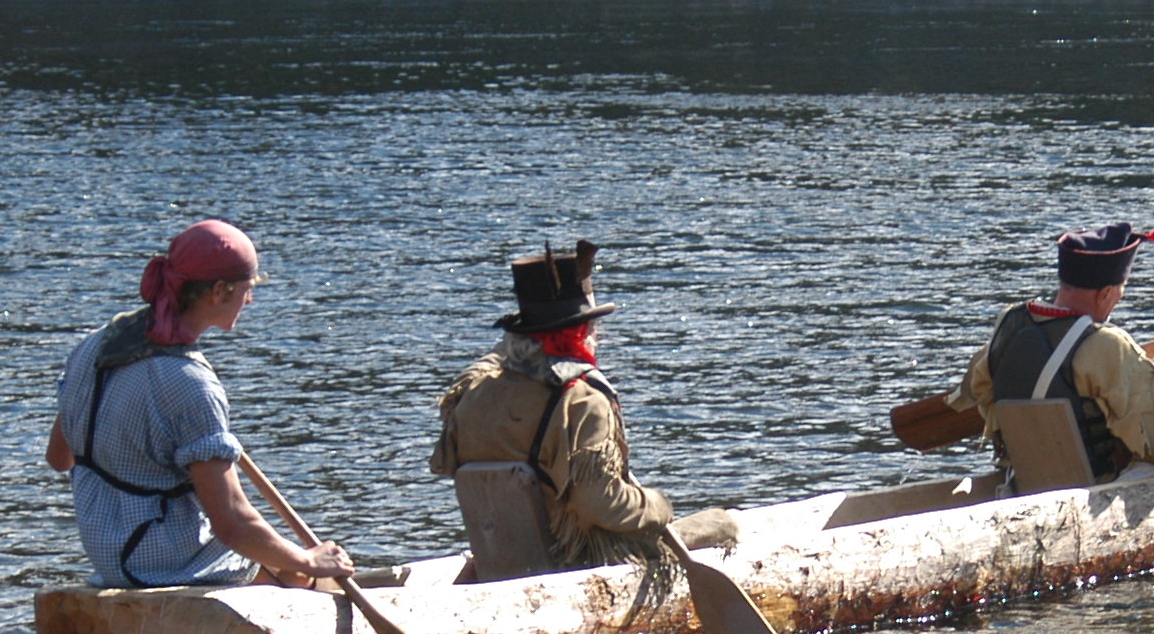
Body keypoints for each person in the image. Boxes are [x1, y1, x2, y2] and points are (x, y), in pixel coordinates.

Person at [46, 219, 354, 590]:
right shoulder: (191, 384)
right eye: (248, 288)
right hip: (158, 563)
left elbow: (58, 458)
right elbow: (232, 524)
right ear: (220, 292)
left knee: (281, 558)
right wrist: (309, 559)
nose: (250, 299)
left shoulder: (95, 346)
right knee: (303, 577)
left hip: (107, 552)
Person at [429, 239, 738, 573]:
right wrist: (658, 506)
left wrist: (538, 311)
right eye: (592, 325)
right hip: (579, 561)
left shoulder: (474, 392)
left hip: (500, 559)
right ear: (582, 331)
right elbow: (599, 503)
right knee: (724, 524)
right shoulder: (582, 399)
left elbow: (496, 356)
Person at [946, 221, 1154, 486]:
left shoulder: (1008, 325)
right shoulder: (1106, 346)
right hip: (1098, 490)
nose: (1116, 302)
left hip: (1023, 483)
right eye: (1119, 293)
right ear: (1105, 293)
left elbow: (976, 392)